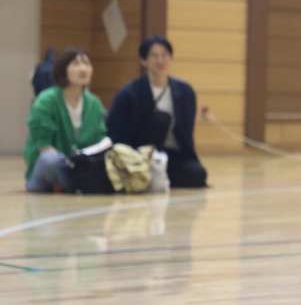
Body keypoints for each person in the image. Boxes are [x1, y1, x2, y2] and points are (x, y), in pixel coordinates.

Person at [106, 35, 208, 188]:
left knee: (197, 175)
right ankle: (145, 174)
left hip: (172, 153)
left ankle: (157, 177)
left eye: (164, 55)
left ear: (171, 57)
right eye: (154, 56)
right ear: (143, 61)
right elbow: (114, 129)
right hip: (140, 154)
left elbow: (187, 131)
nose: (160, 61)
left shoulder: (185, 92)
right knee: (161, 119)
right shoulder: (129, 93)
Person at [24, 47, 107, 193]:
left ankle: (79, 184)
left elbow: (100, 142)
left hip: (81, 168)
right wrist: (71, 165)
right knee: (50, 161)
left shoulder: (94, 103)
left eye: (86, 64)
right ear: (63, 69)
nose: (83, 68)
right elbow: (44, 147)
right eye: (76, 63)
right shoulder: (46, 100)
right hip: (50, 170)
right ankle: (79, 185)